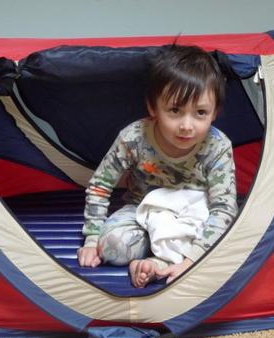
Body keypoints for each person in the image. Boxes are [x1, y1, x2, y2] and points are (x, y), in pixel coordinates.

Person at [77, 44, 238, 288]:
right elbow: (100, 185)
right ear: (153, 108)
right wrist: (91, 238)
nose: (186, 125)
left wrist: (192, 261)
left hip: (194, 215)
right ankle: (157, 258)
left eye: (200, 113)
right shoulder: (134, 137)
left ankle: (157, 265)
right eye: (175, 110)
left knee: (227, 243)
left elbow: (224, 209)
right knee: (111, 248)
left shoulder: (217, 146)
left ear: (215, 112)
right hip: (142, 210)